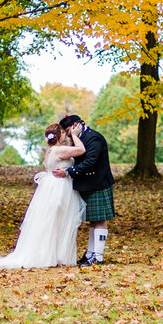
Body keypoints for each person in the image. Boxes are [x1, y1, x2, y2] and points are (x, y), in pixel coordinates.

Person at [0, 122, 86, 269]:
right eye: (64, 133)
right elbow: (81, 150)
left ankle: (53, 253)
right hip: (58, 187)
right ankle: (49, 255)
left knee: (53, 220)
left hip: (52, 186)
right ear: (58, 136)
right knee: (56, 220)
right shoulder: (58, 151)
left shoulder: (50, 150)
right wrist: (75, 135)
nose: (66, 134)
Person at [53, 114, 115, 266]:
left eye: (67, 130)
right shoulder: (77, 139)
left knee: (100, 220)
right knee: (93, 221)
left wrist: (68, 172)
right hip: (87, 184)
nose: (67, 134)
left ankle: (98, 256)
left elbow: (90, 162)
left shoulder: (94, 138)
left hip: (98, 183)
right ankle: (90, 253)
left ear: (75, 125)